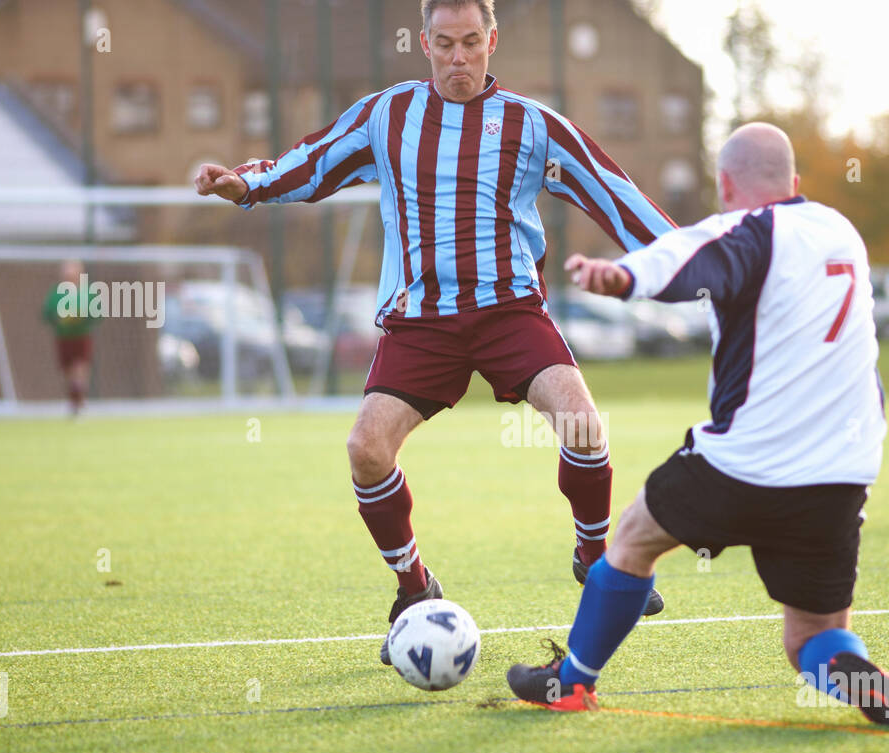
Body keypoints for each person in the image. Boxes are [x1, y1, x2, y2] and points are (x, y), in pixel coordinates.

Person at [195, 0, 673, 660]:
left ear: (492, 41)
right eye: (444, 43)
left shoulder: (532, 125)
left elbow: (612, 191)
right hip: (421, 322)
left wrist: (695, 254)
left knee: (584, 427)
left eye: (470, 42)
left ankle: (594, 558)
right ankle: (414, 587)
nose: (458, 58)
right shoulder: (388, 114)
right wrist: (244, 184)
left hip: (509, 312)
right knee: (366, 448)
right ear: (424, 43)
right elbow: (313, 162)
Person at [506, 123, 889, 728]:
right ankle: (851, 669)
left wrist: (624, 277)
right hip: (841, 474)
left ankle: (572, 684)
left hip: (744, 465)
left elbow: (686, 258)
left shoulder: (745, 228)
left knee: (631, 541)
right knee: (811, 639)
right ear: (794, 182)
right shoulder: (841, 231)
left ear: (725, 185)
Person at [41, 259, 99, 415]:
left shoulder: (87, 293)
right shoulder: (56, 294)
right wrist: (59, 318)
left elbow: (97, 314)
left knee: (80, 370)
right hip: (63, 338)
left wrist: (82, 317)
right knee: (68, 373)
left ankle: (80, 401)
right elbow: (47, 314)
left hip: (81, 337)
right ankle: (74, 401)